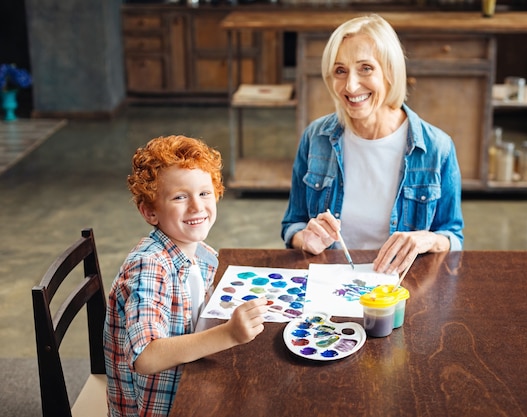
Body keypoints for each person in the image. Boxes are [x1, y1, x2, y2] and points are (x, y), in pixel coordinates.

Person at [281, 14, 464, 275]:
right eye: (340, 71)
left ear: (390, 72)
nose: (351, 85)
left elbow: (453, 237)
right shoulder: (315, 138)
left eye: (366, 68)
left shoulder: (437, 148)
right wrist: (304, 239)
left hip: (404, 289)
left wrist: (429, 239)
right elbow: (293, 224)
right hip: (330, 285)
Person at [104, 135, 268, 417]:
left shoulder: (201, 253)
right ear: (150, 211)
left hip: (191, 378)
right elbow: (146, 356)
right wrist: (228, 333)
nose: (197, 207)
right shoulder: (149, 266)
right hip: (161, 406)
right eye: (180, 197)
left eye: (204, 193)